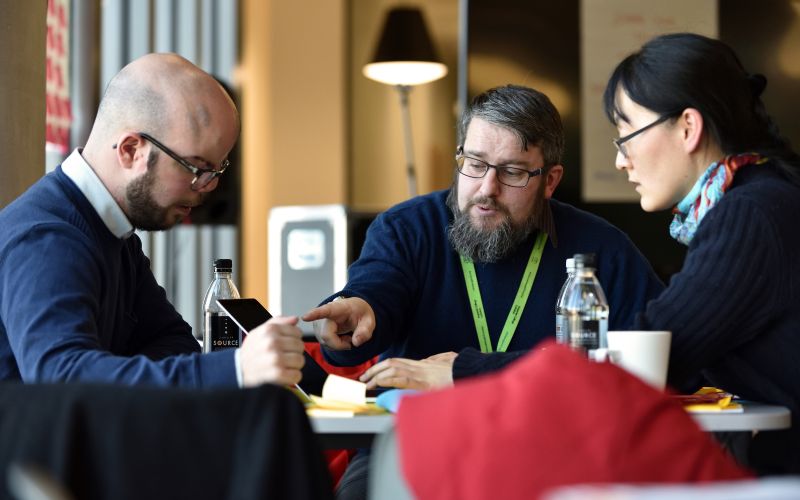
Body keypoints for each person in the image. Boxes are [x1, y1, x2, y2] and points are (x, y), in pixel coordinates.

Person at [303, 84, 664, 500]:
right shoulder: (406, 227)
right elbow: (380, 288)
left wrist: (469, 372)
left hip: (553, 447)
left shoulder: (603, 249)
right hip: (414, 440)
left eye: (512, 172)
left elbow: (647, 363)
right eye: (475, 163)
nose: (486, 188)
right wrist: (358, 314)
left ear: (550, 180)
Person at [0, 53, 305, 388]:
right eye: (197, 168)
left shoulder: (115, 234)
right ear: (131, 150)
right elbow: (64, 383)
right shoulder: (47, 239)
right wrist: (235, 370)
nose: (207, 189)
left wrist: (107, 372)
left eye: (217, 172)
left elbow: (176, 343)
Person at [602, 33, 800, 474]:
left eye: (626, 133)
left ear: (688, 127)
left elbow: (655, 354)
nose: (621, 160)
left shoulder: (749, 216)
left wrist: (469, 371)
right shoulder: (765, 197)